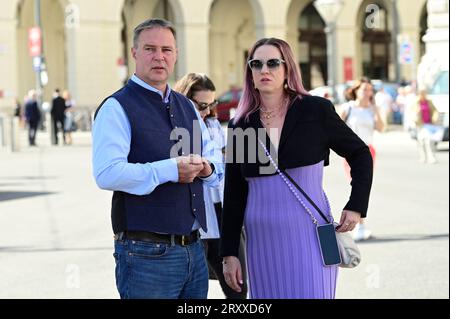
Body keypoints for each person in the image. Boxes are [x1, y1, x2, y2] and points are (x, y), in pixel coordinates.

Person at [219, 38, 373, 299]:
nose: (264, 70)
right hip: (262, 241)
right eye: (256, 64)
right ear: (250, 73)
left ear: (287, 68)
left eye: (272, 63)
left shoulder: (315, 111)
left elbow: (360, 154)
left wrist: (356, 205)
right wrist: (229, 254)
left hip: (310, 234)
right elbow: (234, 194)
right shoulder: (242, 124)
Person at [92, 18, 223, 299]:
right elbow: (107, 173)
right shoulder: (117, 107)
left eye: (166, 50)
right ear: (134, 53)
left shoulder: (187, 105)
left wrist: (206, 168)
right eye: (150, 48)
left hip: (194, 249)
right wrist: (170, 170)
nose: (159, 56)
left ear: (176, 54)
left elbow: (214, 163)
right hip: (145, 253)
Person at [174, 73, 248, 299]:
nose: (207, 111)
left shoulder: (214, 125)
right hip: (193, 216)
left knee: (238, 287)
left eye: (212, 104)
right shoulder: (177, 128)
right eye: (202, 105)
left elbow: (228, 161)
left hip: (222, 212)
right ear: (185, 100)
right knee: (192, 291)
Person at [339, 79, 384, 241]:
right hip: (351, 152)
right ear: (356, 91)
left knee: (363, 186)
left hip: (368, 151)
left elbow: (381, 128)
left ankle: (360, 225)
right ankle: (358, 225)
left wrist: (376, 110)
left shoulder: (372, 110)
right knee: (357, 185)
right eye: (365, 89)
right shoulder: (348, 108)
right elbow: (336, 128)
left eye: (370, 90)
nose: (368, 93)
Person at [413, 89, 441, 164]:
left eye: (424, 93)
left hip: (429, 124)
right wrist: (416, 114)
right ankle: (423, 157)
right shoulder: (416, 103)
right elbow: (412, 113)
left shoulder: (429, 102)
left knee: (429, 141)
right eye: (421, 93)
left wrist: (434, 118)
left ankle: (431, 157)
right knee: (421, 141)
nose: (423, 95)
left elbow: (435, 111)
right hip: (420, 125)